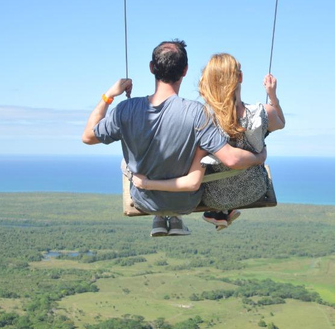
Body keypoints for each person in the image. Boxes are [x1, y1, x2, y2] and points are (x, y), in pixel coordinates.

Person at [82, 40, 267, 237]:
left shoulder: (126, 110)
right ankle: (177, 218)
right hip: (185, 201)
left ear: (152, 68)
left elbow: (88, 137)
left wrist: (109, 95)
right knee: (199, 156)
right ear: (185, 70)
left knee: (126, 163)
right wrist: (259, 157)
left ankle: (160, 218)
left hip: (145, 200)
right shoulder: (197, 113)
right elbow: (232, 159)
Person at [131, 53, 285, 229]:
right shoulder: (263, 113)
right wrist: (273, 97)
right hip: (255, 190)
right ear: (240, 77)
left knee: (201, 163)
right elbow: (281, 123)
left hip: (215, 197)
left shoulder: (203, 120)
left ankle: (205, 213)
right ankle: (223, 213)